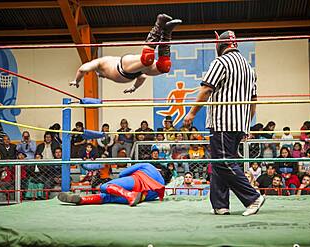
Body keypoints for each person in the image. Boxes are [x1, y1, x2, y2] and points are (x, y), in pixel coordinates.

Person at [183, 30, 264, 216]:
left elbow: (205, 90)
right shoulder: (248, 68)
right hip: (239, 123)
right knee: (220, 163)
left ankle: (253, 197)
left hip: (222, 123)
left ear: (221, 45)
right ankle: (220, 205)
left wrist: (192, 113)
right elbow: (253, 99)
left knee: (223, 162)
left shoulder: (220, 62)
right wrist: (247, 124)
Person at [69, 14, 182, 93]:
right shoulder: (104, 69)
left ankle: (159, 24)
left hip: (123, 67)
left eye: (99, 75)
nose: (101, 77)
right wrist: (133, 88)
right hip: (136, 72)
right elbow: (142, 77)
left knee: (147, 59)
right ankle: (167, 32)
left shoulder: (99, 63)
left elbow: (83, 69)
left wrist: (76, 80)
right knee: (164, 66)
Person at [58, 163, 168, 206]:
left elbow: (122, 173)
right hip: (141, 197)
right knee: (108, 198)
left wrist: (124, 181)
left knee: (104, 187)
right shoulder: (160, 189)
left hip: (135, 183)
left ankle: (129, 195)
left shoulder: (149, 166)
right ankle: (81, 200)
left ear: (158, 168)